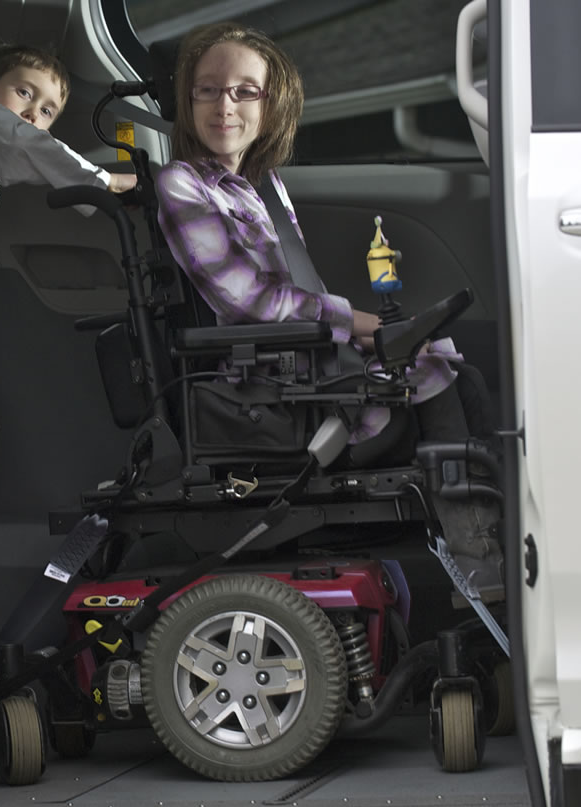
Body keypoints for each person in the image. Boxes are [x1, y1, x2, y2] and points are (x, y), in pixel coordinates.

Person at [153, 22, 502, 597]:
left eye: (245, 91)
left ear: (273, 104)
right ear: (187, 102)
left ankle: (491, 536)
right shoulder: (182, 184)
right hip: (266, 386)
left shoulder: (264, 185)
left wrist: (362, 334)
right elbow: (247, 299)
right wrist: (359, 324)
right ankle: (477, 554)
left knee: (454, 366)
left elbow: (293, 289)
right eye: (207, 90)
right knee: (433, 370)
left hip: (305, 354)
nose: (225, 105)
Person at [0, 45, 137, 415]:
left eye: (47, 111)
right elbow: (19, 139)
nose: (31, 114)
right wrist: (103, 182)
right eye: (24, 93)